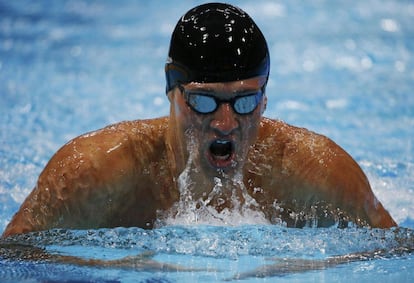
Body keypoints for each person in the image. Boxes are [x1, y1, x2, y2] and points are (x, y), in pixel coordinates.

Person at [2, 3, 396, 238]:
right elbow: (16, 261)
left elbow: (395, 253)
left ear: (265, 98)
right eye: (205, 102)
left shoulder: (316, 173)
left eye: (244, 103)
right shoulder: (94, 173)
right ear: (172, 91)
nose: (225, 123)